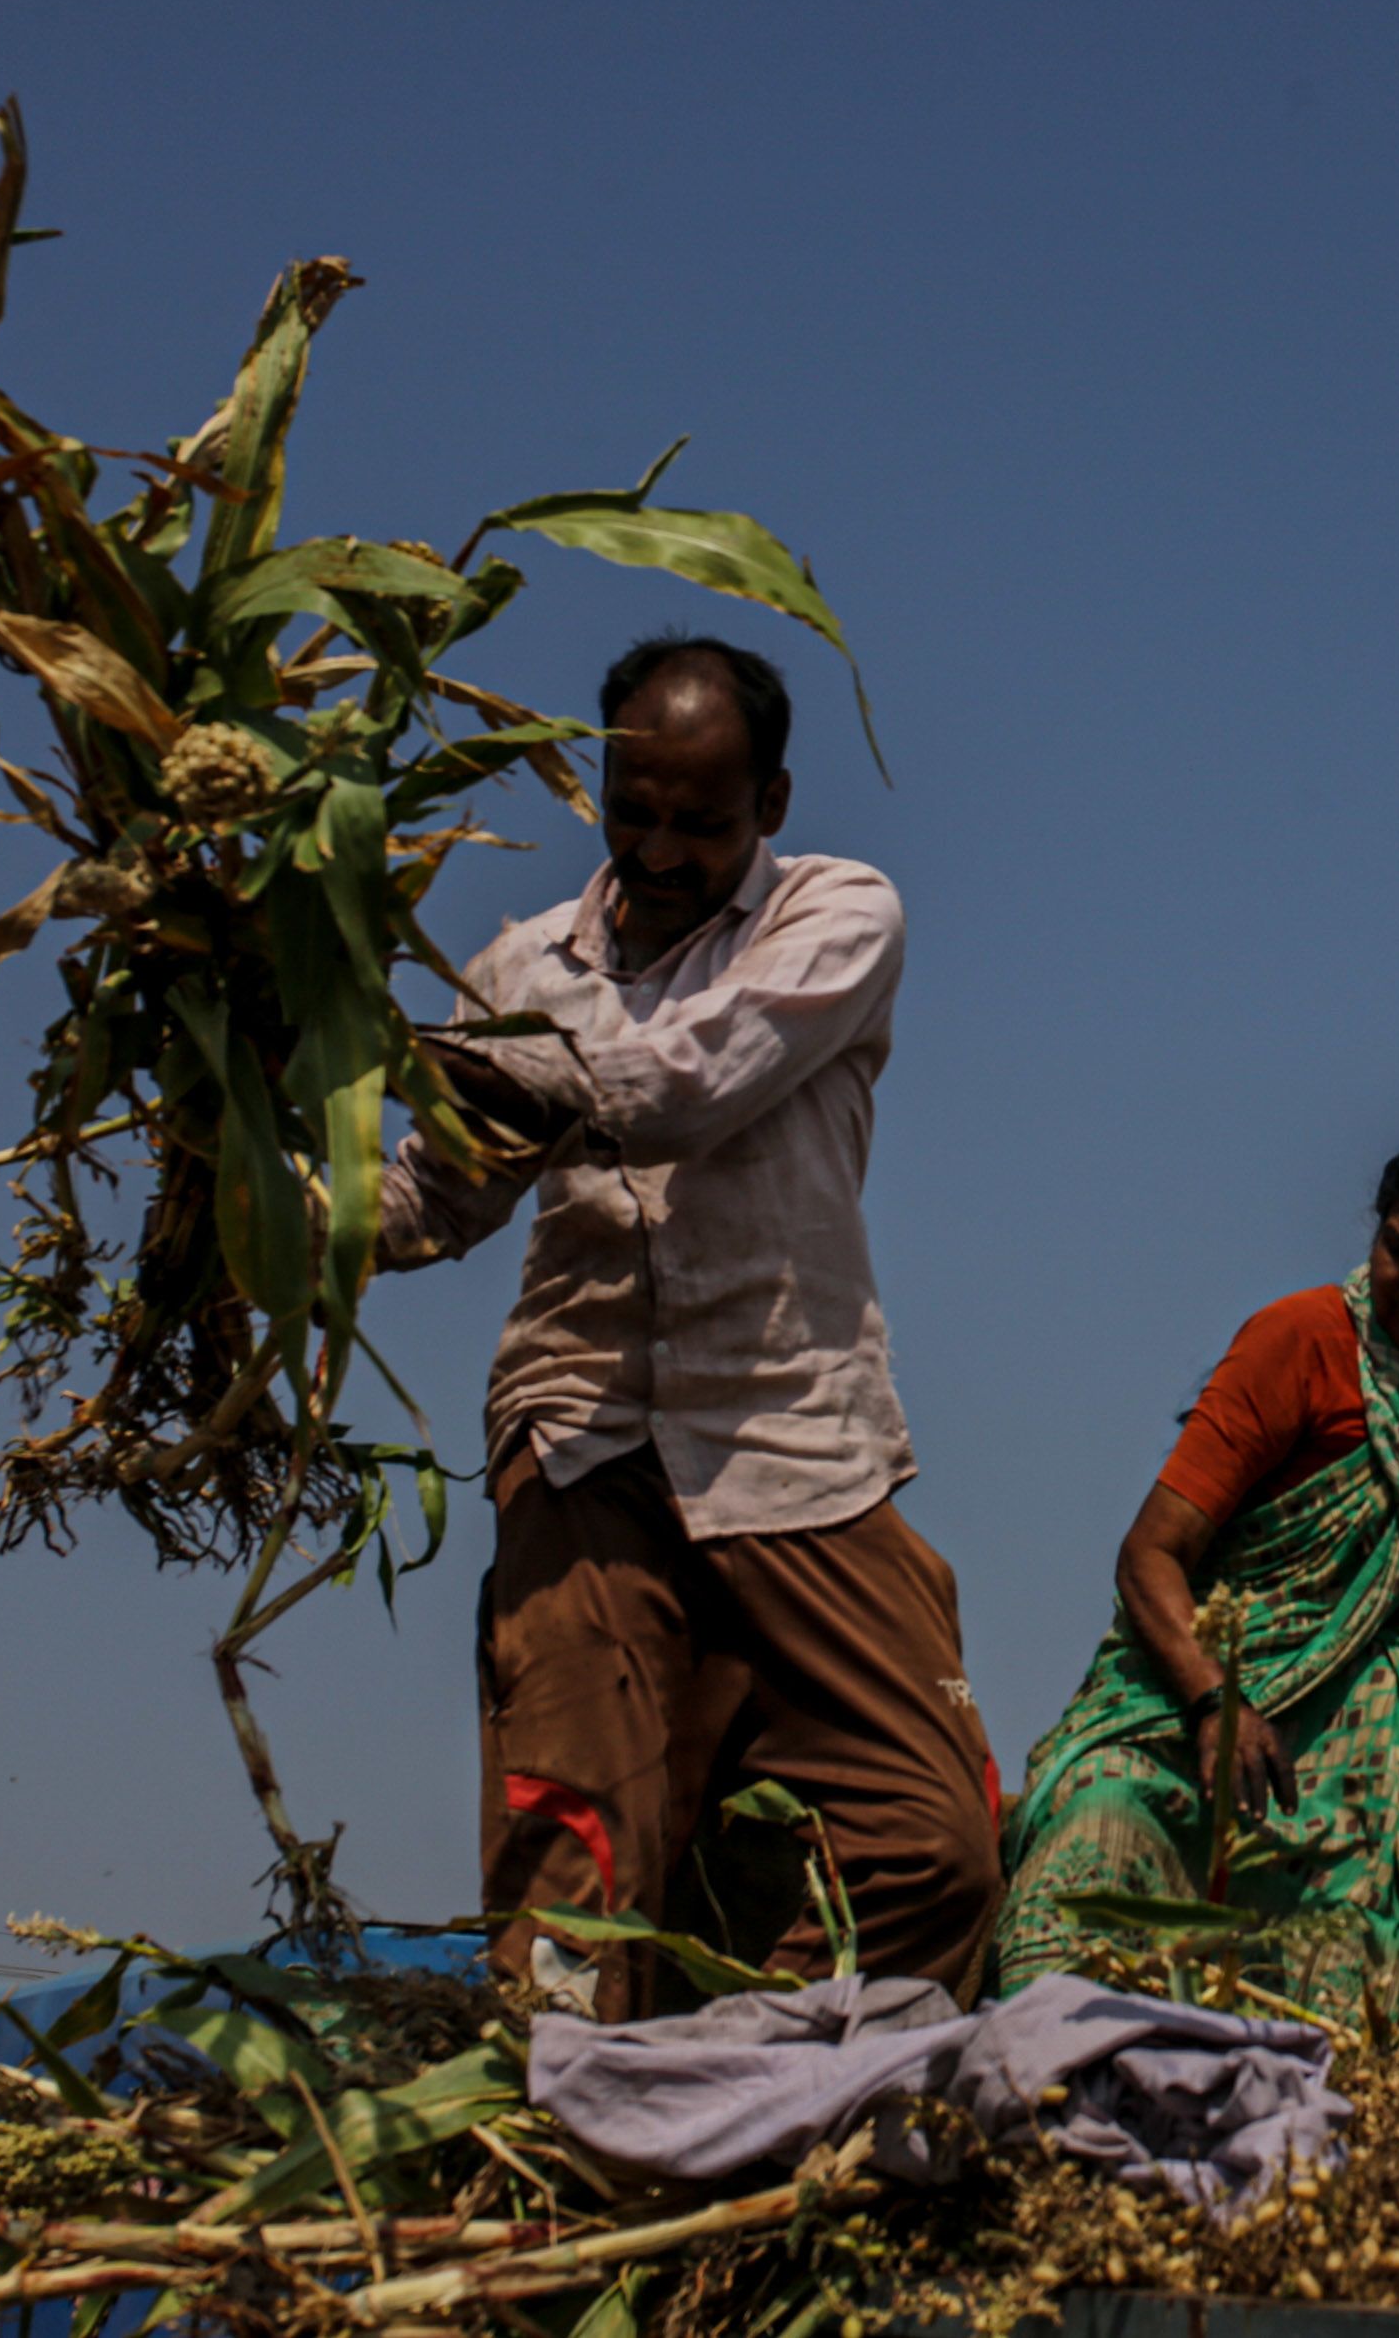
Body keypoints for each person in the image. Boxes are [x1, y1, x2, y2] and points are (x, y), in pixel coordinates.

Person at [375, 633, 1000, 2012]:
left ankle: (743, 2086)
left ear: (769, 803)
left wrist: (428, 1048)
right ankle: (585, 2143)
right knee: (571, 1892)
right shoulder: (523, 960)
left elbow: (681, 1083)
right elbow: (436, 1199)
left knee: (937, 1850)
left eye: (699, 821)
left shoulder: (838, 916)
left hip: (792, 1437)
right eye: (632, 811)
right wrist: (263, 1206)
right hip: (582, 1427)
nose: (659, 848)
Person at [993, 1131, 1399, 2035]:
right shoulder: (1298, 1339)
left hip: (1375, 1691)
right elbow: (1150, 1555)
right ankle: (1060, 2057)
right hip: (1206, 1687)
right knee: (1105, 1817)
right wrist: (1219, 1699)